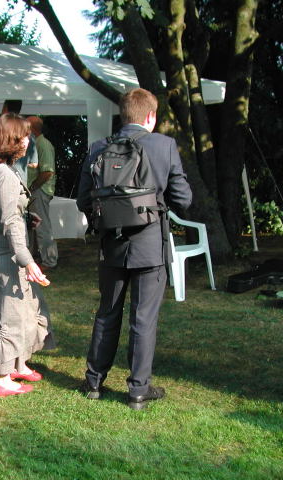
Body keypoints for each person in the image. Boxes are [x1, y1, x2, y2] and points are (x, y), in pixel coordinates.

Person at [76, 88, 192, 410]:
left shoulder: (99, 148)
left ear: (122, 114)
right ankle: (138, 390)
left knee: (107, 312)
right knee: (143, 318)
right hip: (149, 245)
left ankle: (94, 382)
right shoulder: (164, 146)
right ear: (151, 116)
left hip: (111, 244)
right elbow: (184, 199)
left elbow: (83, 200)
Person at [0, 113, 55, 397]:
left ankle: (19, 364)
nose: (27, 141)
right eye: (24, 136)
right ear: (11, 139)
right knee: (9, 312)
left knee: (25, 307)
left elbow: (6, 212)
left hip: (4, 249)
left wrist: (27, 218)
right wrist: (28, 260)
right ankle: (3, 378)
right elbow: (9, 220)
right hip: (7, 254)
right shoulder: (2, 174)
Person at [26, 116, 58, 269]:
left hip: (40, 190)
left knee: (41, 226)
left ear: (32, 129)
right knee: (33, 226)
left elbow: (47, 172)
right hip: (36, 190)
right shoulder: (35, 143)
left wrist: (32, 187)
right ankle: (34, 258)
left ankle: (49, 261)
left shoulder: (43, 144)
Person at [0, 99, 38, 183]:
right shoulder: (28, 132)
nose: (26, 142)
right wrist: (19, 163)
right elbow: (34, 164)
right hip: (20, 181)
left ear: (5, 108)